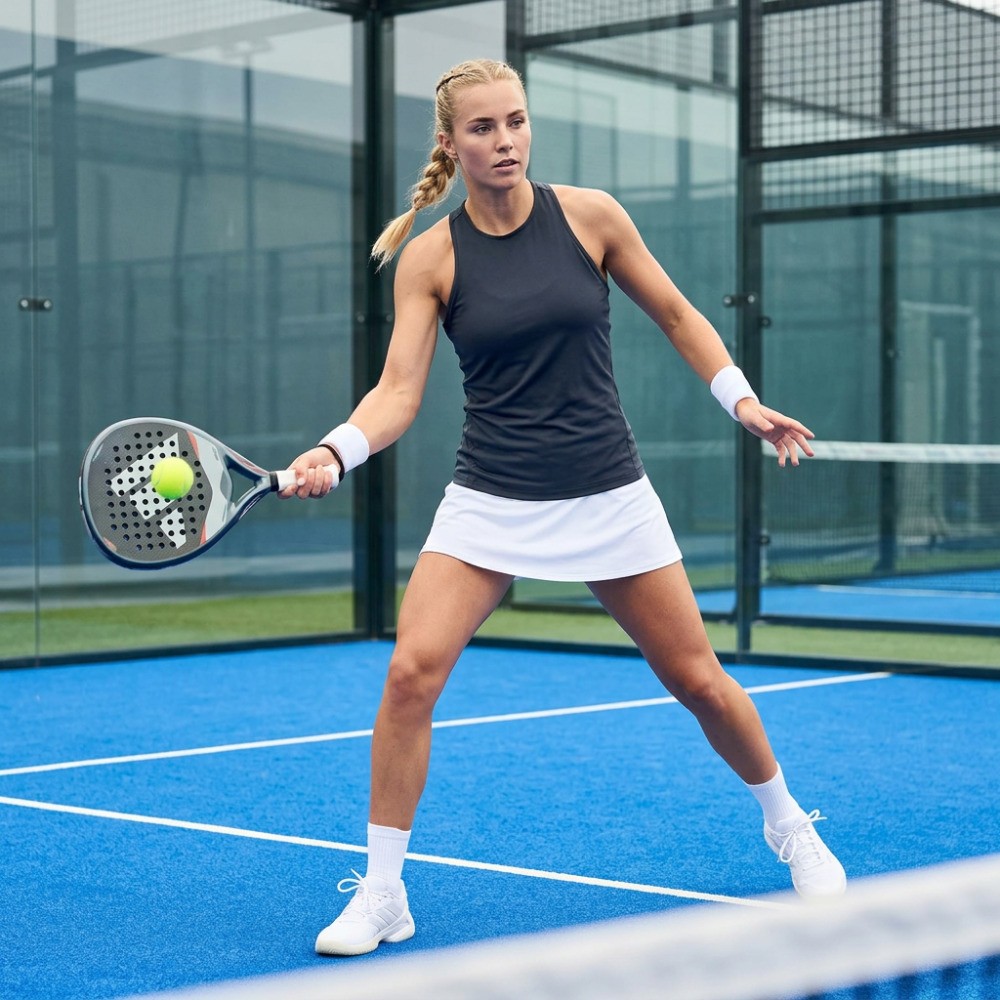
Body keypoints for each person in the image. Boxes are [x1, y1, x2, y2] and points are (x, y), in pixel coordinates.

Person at [282, 58, 846, 957]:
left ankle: (791, 828)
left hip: (608, 492)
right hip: (489, 497)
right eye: (482, 128)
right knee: (409, 674)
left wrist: (740, 398)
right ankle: (383, 894)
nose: (504, 141)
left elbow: (675, 312)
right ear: (450, 142)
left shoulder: (590, 216)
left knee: (697, 680)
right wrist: (333, 450)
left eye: (515, 121)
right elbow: (396, 394)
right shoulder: (430, 259)